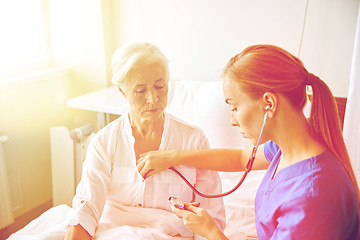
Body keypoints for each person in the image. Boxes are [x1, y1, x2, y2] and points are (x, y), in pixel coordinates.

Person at [137, 44, 360, 239]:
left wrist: (212, 232)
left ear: (269, 104)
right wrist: (171, 157)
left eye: (234, 107)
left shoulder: (311, 196)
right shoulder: (292, 147)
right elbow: (242, 157)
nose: (233, 120)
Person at [64, 42, 225, 239]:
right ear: (122, 91)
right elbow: (86, 207)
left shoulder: (194, 140)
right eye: (140, 91)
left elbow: (211, 218)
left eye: (160, 86)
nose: (153, 98)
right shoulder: (104, 142)